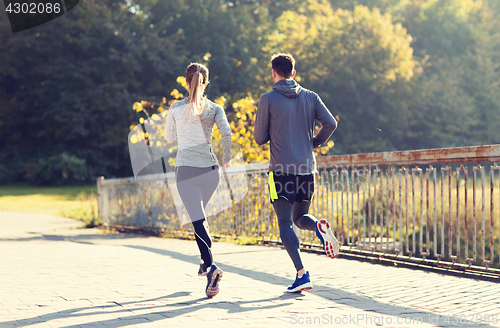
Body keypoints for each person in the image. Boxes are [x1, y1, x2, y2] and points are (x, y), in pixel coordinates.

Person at [254, 53, 339, 293]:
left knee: (284, 222)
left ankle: (302, 274)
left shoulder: (268, 99)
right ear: (293, 72)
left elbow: (259, 138)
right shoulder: (311, 97)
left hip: (280, 171)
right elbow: (331, 123)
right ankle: (320, 232)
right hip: (306, 169)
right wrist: (313, 143)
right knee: (300, 217)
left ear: (274, 73)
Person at [165, 62, 232, 298]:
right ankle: (205, 263)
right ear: (206, 83)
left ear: (186, 82)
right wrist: (227, 155)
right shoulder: (215, 108)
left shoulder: (175, 107)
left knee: (197, 220)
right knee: (199, 219)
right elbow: (226, 132)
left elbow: (169, 136)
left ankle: (212, 267)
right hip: (211, 171)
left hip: (186, 170)